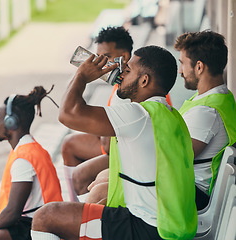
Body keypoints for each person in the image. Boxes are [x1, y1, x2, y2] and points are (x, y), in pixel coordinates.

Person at [31, 46, 197, 240]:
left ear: (144, 80)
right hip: (168, 225)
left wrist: (82, 76)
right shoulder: (169, 115)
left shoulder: (139, 115)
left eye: (127, 71)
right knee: (96, 195)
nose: (120, 74)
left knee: (45, 216)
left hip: (147, 228)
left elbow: (68, 114)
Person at [0, 86, 63, 240]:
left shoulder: (24, 158)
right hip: (27, 220)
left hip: (38, 226)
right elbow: (5, 203)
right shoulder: (23, 149)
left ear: (11, 123)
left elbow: (12, 212)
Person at [61, 26, 133, 202]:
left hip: (124, 152)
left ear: (123, 57)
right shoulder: (120, 81)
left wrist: (82, 76)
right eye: (97, 57)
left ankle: (78, 210)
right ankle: (75, 204)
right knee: (69, 143)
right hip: (114, 142)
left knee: (79, 174)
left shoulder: (129, 87)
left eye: (106, 57)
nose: (100, 63)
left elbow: (108, 147)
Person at [174, 30, 236, 210]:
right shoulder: (221, 97)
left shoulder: (206, 112)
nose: (180, 72)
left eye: (182, 64)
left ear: (199, 67)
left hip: (193, 194)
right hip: (189, 187)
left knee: (105, 187)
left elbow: (176, 158)